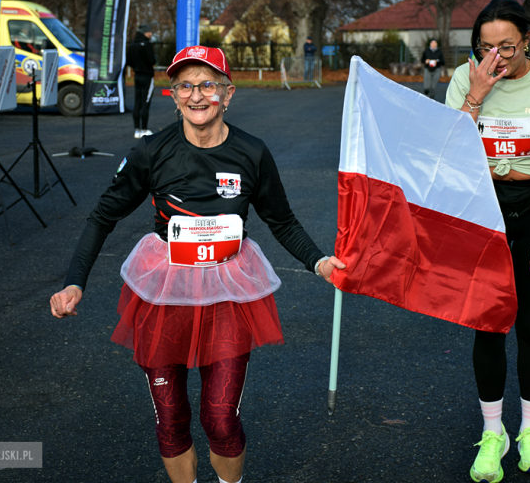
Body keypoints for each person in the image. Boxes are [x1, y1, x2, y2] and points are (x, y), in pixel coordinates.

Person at [50, 45, 345, 483]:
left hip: (228, 290)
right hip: (165, 291)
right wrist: (75, 282)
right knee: (171, 419)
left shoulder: (252, 152)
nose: (197, 95)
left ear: (227, 94)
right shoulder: (152, 152)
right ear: (173, 95)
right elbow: (103, 215)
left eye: (208, 84)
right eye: (185, 85)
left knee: (221, 420)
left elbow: (281, 220)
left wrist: (319, 262)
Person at [445, 0, 530, 483]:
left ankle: (529, 432)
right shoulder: (467, 78)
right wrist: (476, 94)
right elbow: (448, 151)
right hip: (483, 209)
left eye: (506, 46)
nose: (496, 57)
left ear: (527, 41)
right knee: (487, 324)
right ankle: (492, 434)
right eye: (486, 47)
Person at [126, 24, 157, 138]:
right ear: (145, 33)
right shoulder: (147, 45)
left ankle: (137, 129)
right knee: (146, 102)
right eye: (149, 32)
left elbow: (128, 60)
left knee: (137, 102)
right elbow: (151, 60)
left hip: (137, 76)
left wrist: (136, 67)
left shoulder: (132, 44)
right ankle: (144, 128)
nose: (151, 34)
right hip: (147, 76)